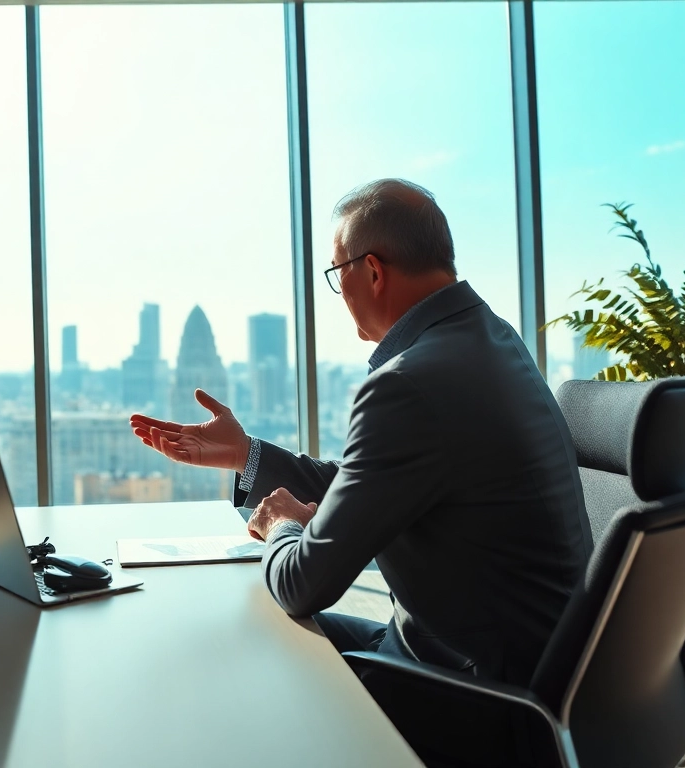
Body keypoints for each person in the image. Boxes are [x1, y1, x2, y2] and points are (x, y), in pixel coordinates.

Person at [129, 179, 591, 689]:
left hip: (474, 696)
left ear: (371, 271)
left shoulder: (408, 383)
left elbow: (303, 584)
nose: (338, 291)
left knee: (249, 639)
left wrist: (283, 525)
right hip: (526, 666)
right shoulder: (493, 341)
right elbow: (370, 482)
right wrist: (247, 455)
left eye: (336, 272)